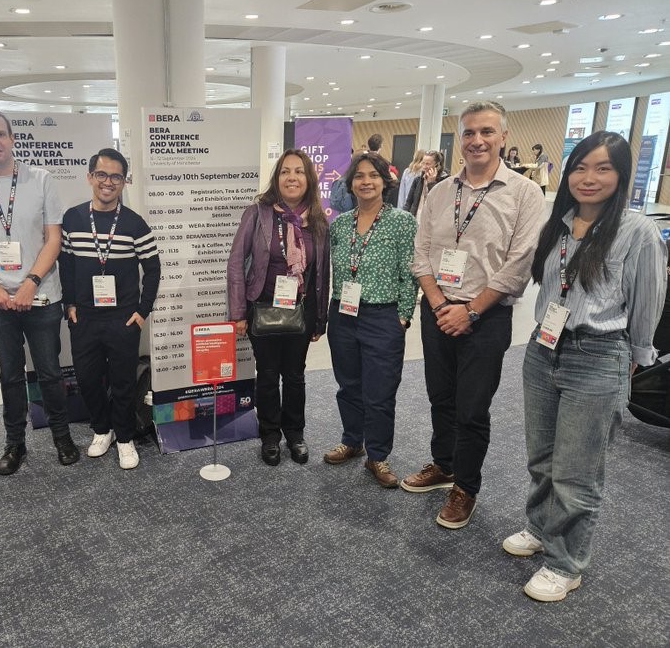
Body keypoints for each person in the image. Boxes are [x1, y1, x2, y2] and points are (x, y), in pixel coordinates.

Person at [502, 131, 666, 602]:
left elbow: (647, 303)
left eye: (603, 168)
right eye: (580, 167)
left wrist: (636, 359)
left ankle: (566, 562)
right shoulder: (560, 223)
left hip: (599, 353)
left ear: (621, 175)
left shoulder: (637, 232)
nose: (588, 178)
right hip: (542, 349)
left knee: (577, 470)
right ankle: (540, 526)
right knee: (542, 456)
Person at [404, 101, 544, 528]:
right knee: (440, 397)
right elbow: (422, 255)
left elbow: (518, 266)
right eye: (469, 133)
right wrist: (440, 305)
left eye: (487, 132)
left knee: (472, 407)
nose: (477, 140)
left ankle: (466, 485)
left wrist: (470, 310)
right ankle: (443, 464)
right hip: (438, 310)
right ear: (459, 140)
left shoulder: (525, 193)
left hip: (486, 318)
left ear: (503, 137)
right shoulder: (442, 190)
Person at [0, 108, 80, 475]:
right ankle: (15, 443)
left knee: (50, 371)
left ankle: (61, 436)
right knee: (9, 375)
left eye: (0, 134)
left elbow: (53, 237)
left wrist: (31, 282)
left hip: (40, 296)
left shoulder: (40, 179)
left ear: (12, 138)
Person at [59, 148, 161, 470]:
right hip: (85, 318)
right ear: (90, 177)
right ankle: (102, 430)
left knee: (122, 382)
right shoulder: (73, 219)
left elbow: (154, 269)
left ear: (123, 181)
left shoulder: (134, 223)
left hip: (122, 319)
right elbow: (66, 264)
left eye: (115, 176)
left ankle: (125, 437)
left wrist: (142, 311)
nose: (108, 182)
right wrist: (70, 305)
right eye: (101, 174)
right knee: (88, 380)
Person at [227, 149, 330, 466]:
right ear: (277, 177)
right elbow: (235, 262)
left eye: (299, 171)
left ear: (308, 178)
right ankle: (270, 435)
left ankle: (295, 434)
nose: (292, 177)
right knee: (268, 375)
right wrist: (238, 313)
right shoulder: (258, 213)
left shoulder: (316, 219)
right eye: (285, 171)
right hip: (263, 307)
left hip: (301, 311)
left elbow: (323, 271)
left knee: (295, 376)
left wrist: (320, 318)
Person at [323, 152, 418, 487]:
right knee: (348, 385)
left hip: (383, 316)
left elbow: (411, 272)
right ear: (350, 183)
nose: (366, 182)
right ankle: (352, 441)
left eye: (373, 176)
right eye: (359, 176)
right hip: (343, 315)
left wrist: (404, 316)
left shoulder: (402, 222)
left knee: (379, 390)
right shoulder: (340, 224)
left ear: (385, 181)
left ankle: (378, 456)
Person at [403, 150, 449, 218]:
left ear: (437, 165)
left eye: (428, 164)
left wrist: (431, 183)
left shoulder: (445, 180)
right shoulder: (418, 180)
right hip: (416, 218)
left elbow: (440, 202)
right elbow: (408, 203)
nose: (424, 166)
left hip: (433, 220)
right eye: (423, 163)